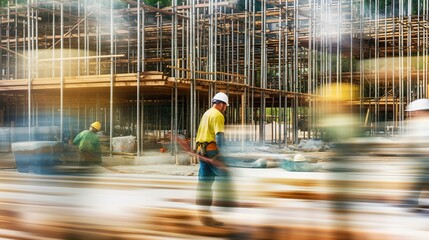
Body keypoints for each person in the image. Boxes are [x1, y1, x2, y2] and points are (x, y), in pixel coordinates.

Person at [195, 92, 235, 227]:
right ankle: (226, 203)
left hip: (202, 151)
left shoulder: (207, 113)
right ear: (222, 104)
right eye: (225, 106)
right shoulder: (218, 115)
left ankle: (204, 217)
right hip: (212, 151)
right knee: (226, 176)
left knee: (204, 185)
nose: (225, 108)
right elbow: (219, 137)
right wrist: (222, 156)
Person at [402, 99, 429, 211]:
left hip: (423, 158)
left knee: (420, 181)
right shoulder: (416, 123)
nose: (410, 115)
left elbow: (409, 141)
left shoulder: (418, 123)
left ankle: (411, 202)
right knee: (421, 181)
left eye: (412, 113)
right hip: (422, 158)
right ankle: (411, 201)